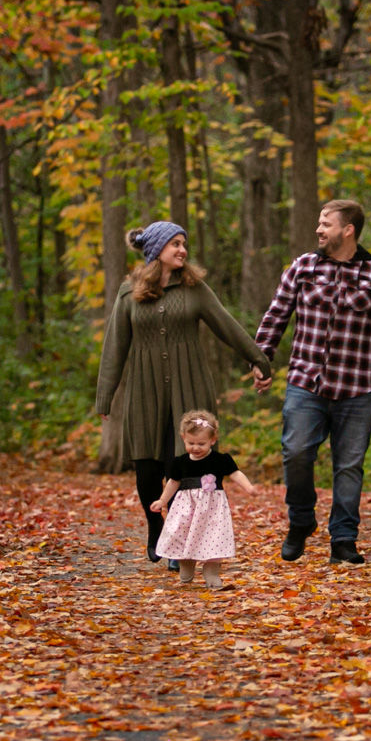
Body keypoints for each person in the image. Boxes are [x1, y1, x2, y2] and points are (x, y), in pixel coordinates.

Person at [95, 220, 272, 565]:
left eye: (183, 244)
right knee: (146, 467)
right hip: (144, 387)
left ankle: (179, 542)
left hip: (189, 384)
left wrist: (257, 359)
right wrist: (105, 395)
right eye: (175, 244)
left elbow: (227, 325)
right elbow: (115, 346)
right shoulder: (129, 292)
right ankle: (155, 528)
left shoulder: (195, 289)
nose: (182, 250)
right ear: (156, 250)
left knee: (187, 466)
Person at [254, 198, 371, 565]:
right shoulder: (303, 267)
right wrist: (261, 361)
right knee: (295, 453)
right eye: (319, 222)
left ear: (348, 230)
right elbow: (276, 315)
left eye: (326, 223)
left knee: (349, 466)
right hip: (306, 383)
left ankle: (343, 538)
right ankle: (301, 520)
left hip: (358, 389)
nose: (318, 229)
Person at [148, 410, 254, 589]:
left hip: (212, 509)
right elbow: (173, 483)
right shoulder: (180, 462)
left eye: (201, 443)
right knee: (183, 534)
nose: (195, 447)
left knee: (213, 537)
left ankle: (211, 571)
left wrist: (248, 487)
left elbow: (235, 473)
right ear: (183, 438)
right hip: (186, 508)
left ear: (213, 440)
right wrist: (162, 500)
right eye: (191, 443)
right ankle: (186, 564)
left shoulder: (220, 460)